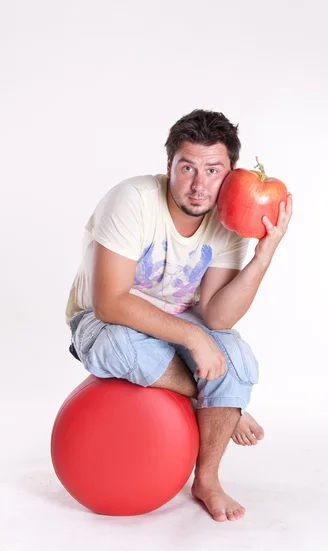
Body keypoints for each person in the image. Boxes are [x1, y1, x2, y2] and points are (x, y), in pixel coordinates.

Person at [66, 109, 292, 522]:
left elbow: (218, 317)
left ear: (231, 173)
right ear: (169, 164)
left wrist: (263, 255)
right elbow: (110, 303)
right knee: (123, 344)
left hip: (178, 321)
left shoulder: (226, 220)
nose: (199, 184)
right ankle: (227, 403)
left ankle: (207, 480)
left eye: (213, 170)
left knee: (237, 361)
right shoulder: (132, 198)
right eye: (187, 167)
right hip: (104, 322)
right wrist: (195, 340)